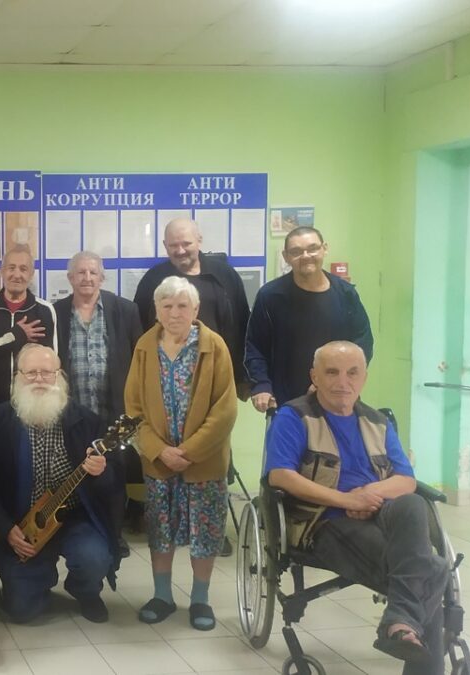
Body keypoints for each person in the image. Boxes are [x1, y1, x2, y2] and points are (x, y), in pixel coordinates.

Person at [264, 341, 442, 673]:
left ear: (364, 378)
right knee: (432, 570)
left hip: (379, 510)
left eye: (352, 373)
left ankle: (400, 622)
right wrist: (347, 500)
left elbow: (405, 479)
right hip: (324, 520)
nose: (342, 382)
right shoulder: (294, 417)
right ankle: (406, 634)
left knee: (413, 504)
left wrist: (368, 494)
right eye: (332, 372)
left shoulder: (377, 422)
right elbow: (280, 476)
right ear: (314, 376)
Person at [124, 276, 237, 631]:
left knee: (206, 532)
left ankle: (200, 600)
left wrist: (188, 451)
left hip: (203, 461)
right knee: (160, 529)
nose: (174, 313)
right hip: (159, 462)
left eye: (182, 306)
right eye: (167, 306)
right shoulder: (144, 346)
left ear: (196, 309)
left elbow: (225, 410)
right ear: (156, 310)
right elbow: (133, 408)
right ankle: (162, 596)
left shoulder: (214, 346)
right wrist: (159, 451)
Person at [0, 345, 118, 624]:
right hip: (23, 523)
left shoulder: (86, 421)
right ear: (17, 376)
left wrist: (101, 471)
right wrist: (5, 528)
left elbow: (112, 485)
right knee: (21, 610)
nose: (39, 379)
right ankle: (37, 579)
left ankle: (84, 590)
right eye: (31, 373)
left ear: (59, 376)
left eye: (46, 372)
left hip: (74, 518)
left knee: (93, 557)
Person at [53, 251, 143, 555]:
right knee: (76, 472)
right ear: (70, 278)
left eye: (93, 272)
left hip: (114, 411)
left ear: (102, 277)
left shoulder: (125, 310)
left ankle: (114, 535)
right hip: (73, 412)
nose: (87, 278)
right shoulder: (56, 313)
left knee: (113, 477)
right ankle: (75, 531)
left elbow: (139, 360)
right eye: (80, 272)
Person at [246, 226, 374, 413]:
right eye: (296, 252)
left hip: (338, 398)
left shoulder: (346, 294)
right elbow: (255, 346)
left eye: (312, 248)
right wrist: (261, 385)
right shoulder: (270, 296)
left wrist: (328, 384)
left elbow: (362, 343)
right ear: (286, 256)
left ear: (324, 249)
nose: (305, 256)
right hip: (285, 403)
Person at [133, 218, 250, 394]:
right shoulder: (153, 280)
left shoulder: (225, 275)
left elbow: (243, 325)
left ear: (199, 240)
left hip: (217, 374)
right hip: (166, 380)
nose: (180, 251)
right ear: (165, 245)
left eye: (186, 244)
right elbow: (139, 329)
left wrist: (244, 379)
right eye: (173, 245)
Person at [0, 245, 58, 408]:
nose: (17, 275)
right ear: (2, 271)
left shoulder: (44, 310)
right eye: (11, 268)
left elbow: (52, 361)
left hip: (31, 405)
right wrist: (14, 337)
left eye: (23, 269)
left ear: (31, 274)